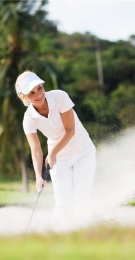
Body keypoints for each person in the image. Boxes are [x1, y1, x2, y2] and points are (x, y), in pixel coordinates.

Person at [15, 70, 96, 214]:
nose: (38, 94)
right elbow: (36, 150)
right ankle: (57, 233)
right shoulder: (28, 119)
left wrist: (52, 153)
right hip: (60, 159)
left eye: (39, 88)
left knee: (82, 199)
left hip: (83, 152)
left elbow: (70, 130)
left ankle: (84, 232)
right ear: (24, 97)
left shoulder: (60, 96)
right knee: (62, 202)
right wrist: (38, 176)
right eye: (31, 93)